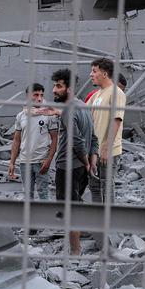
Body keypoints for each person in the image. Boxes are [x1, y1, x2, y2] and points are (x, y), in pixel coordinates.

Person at [49, 69, 98, 256]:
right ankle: (87, 230)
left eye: (59, 86)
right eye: (54, 85)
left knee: (68, 210)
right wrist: (91, 162)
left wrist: (86, 161)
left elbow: (77, 141)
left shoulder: (69, 110)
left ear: (69, 88)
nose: (54, 90)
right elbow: (94, 137)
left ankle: (75, 251)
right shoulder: (84, 106)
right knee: (74, 203)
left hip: (68, 167)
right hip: (80, 168)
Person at [8, 84, 59, 200]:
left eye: (41, 95)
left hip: (41, 161)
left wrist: (49, 160)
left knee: (43, 194)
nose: (39, 98)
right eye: (36, 95)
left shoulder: (48, 114)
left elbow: (55, 139)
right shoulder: (21, 116)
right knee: (27, 195)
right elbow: (16, 140)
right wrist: (12, 162)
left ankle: (44, 217)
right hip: (24, 162)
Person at [87, 58, 127, 204]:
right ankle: (98, 222)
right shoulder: (97, 94)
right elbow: (81, 112)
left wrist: (105, 147)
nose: (91, 74)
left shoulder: (116, 93)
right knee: (94, 186)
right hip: (95, 150)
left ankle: (108, 222)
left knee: (106, 186)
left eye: (94, 71)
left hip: (108, 150)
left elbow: (116, 120)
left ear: (104, 74)